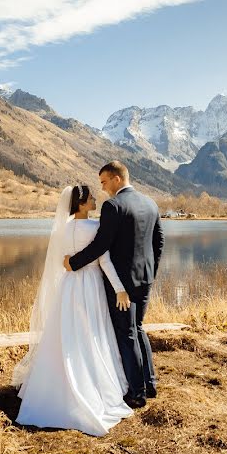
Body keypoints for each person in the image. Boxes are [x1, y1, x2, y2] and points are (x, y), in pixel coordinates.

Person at [12, 185, 133, 436]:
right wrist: (120, 289)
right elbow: (104, 261)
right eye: (90, 198)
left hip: (69, 286)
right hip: (90, 285)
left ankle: (53, 384)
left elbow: (62, 261)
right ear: (81, 203)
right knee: (91, 332)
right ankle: (92, 385)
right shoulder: (95, 228)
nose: (95, 199)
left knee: (66, 331)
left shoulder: (64, 228)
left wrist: (69, 263)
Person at [63, 161, 164, 409]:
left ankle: (137, 393)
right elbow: (159, 241)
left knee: (127, 334)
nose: (103, 188)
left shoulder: (113, 206)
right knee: (138, 328)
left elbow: (101, 246)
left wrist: (73, 263)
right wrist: (150, 273)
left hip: (122, 286)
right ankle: (150, 384)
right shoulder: (150, 202)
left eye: (104, 182)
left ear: (117, 179)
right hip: (145, 279)